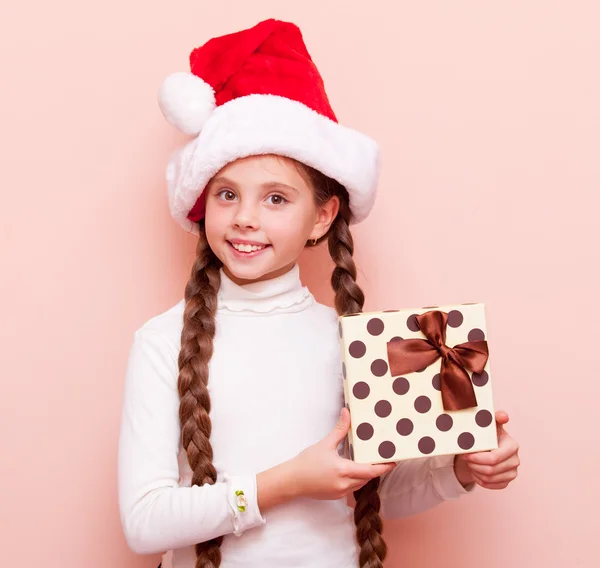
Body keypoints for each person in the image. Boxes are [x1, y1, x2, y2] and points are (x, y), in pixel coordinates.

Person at [117, 18, 520, 568]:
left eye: (276, 199)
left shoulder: (357, 341)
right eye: (227, 194)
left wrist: (459, 471)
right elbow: (144, 522)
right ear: (202, 203)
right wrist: (283, 483)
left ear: (322, 217)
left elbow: (368, 494)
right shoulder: (162, 341)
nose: (245, 219)